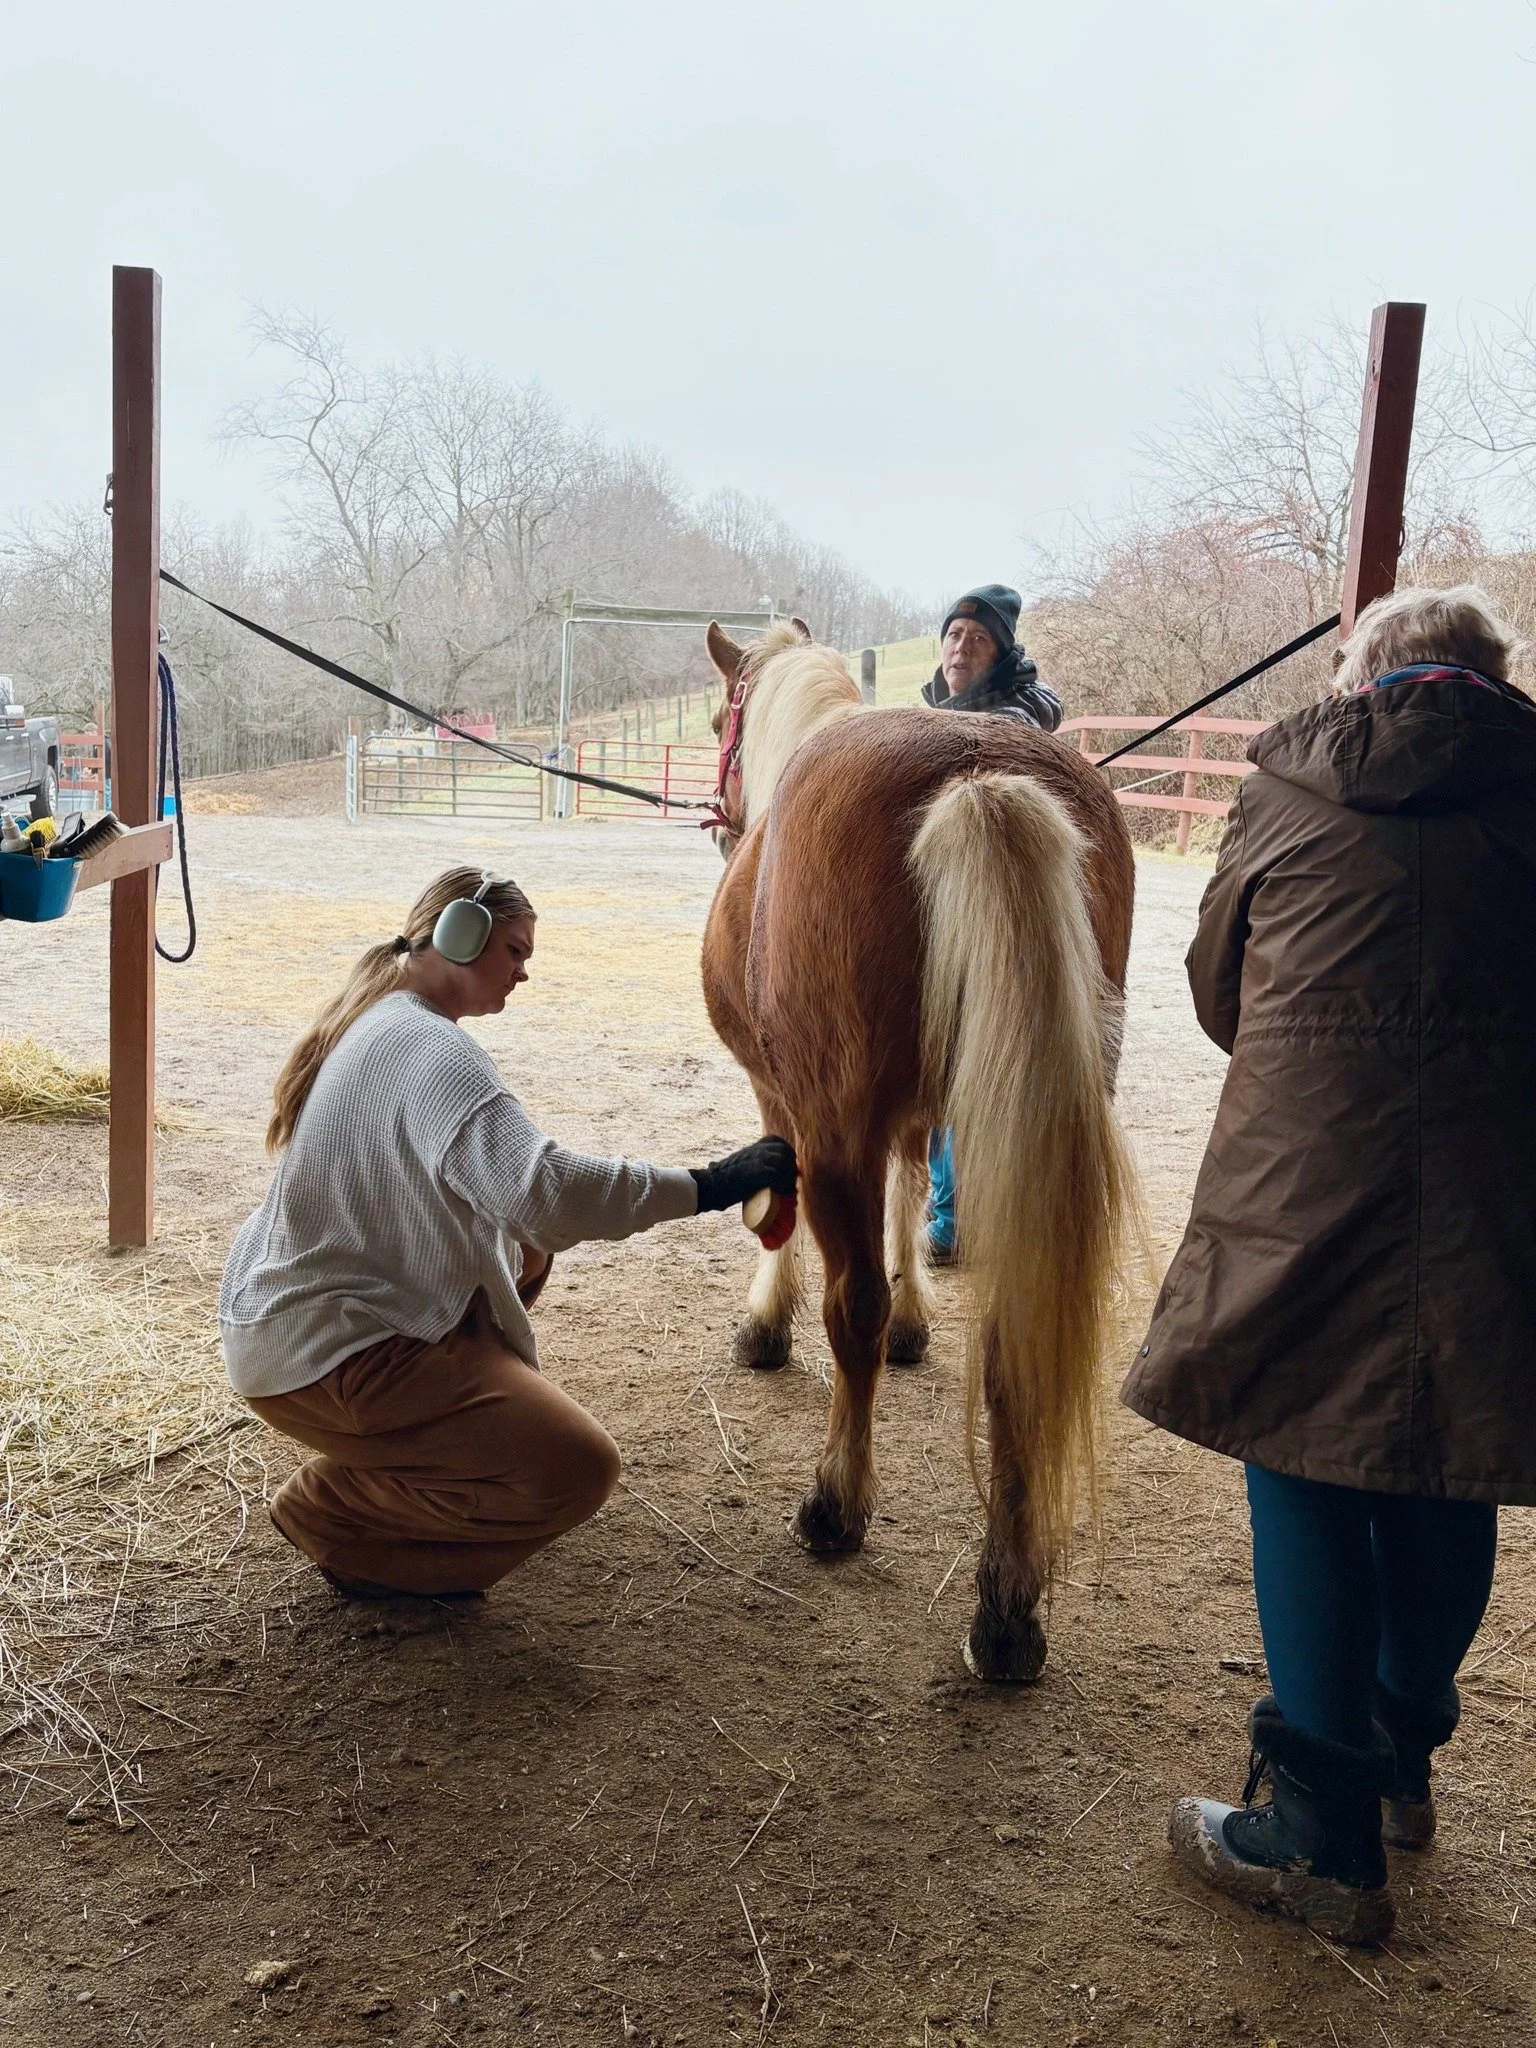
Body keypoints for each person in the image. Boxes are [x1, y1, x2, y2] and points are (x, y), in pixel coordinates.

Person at [1120, 585, 1536, 1945]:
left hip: (1300, 1175)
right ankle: (1400, 1757)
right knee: (1442, 1462)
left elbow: (1219, 994)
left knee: (1302, 1466)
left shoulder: (1287, 793)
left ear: (1362, 680)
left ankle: (1319, 1836)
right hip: (1494, 1186)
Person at [220, 866, 797, 1601]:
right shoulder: (433, 1053)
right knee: (576, 1470)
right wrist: (711, 1184)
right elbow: (546, 1191)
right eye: (516, 952)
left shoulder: (384, 1019)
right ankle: (336, 1515)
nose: (525, 972)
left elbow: (525, 1213)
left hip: (299, 1326)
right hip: (330, 1352)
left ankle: (421, 1445)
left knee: (528, 1251)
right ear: (464, 936)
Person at [921, 584, 1064, 1260]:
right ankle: (948, 1211)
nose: (960, 647)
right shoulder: (934, 712)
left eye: (977, 640)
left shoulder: (1016, 719)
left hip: (994, 912)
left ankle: (955, 1218)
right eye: (953, 635)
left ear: (1002, 653)